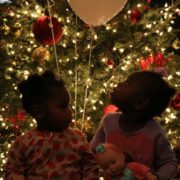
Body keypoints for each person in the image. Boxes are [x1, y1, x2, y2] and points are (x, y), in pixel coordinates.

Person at [4, 71, 98, 180]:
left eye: (69, 106)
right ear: (39, 111)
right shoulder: (23, 144)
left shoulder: (77, 137)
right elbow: (13, 172)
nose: (70, 111)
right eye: (63, 107)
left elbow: (90, 165)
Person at [90, 71, 177, 180]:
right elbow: (93, 149)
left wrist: (157, 177)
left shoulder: (154, 132)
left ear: (140, 103)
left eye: (127, 83)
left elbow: (169, 162)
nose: (118, 84)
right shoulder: (109, 121)